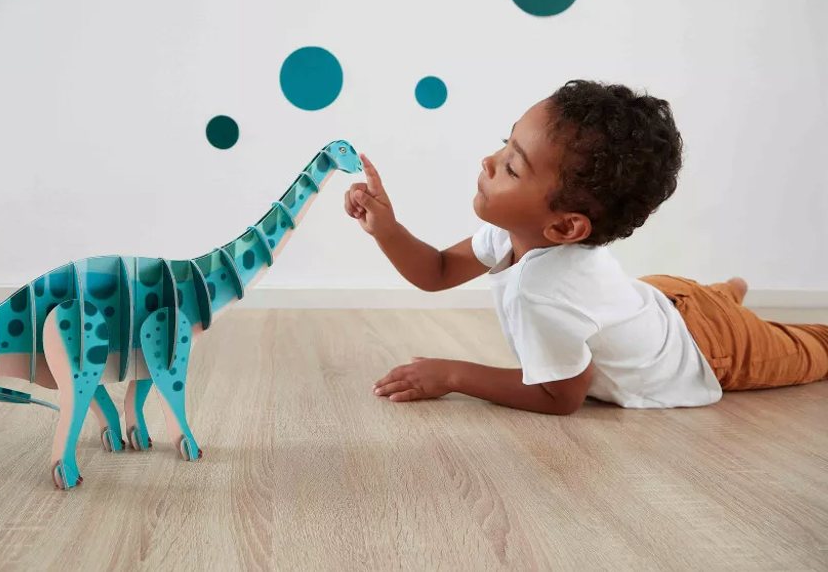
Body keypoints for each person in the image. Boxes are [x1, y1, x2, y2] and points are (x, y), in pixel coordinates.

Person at [344, 80, 828, 414]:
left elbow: (561, 396)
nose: (489, 162)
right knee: (687, 300)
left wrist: (453, 376)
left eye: (513, 167)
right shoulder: (516, 233)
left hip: (709, 347)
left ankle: (727, 303)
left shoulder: (545, 289)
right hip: (661, 299)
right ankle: (724, 295)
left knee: (812, 349)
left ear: (564, 228)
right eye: (505, 145)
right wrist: (386, 227)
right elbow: (439, 271)